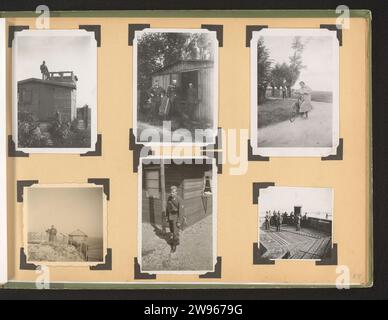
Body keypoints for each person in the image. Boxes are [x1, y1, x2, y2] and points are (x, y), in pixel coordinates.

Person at [166, 186, 184, 253]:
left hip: (176, 216)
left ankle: (174, 246)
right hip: (170, 216)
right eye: (171, 192)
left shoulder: (179, 199)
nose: (172, 193)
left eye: (174, 192)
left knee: (175, 232)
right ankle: (175, 240)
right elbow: (167, 207)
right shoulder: (169, 198)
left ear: (176, 192)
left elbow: (181, 211)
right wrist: (167, 216)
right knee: (171, 230)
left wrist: (179, 221)